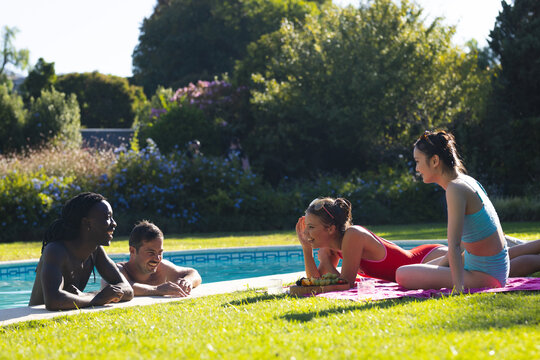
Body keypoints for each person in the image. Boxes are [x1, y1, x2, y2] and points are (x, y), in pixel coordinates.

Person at [395, 130, 510, 292]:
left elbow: (455, 245)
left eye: (418, 161)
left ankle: (459, 282)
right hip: (489, 268)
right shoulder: (466, 181)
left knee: (402, 274)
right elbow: (465, 243)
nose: (417, 168)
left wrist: (458, 288)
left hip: (486, 276)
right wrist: (439, 268)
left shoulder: (455, 189)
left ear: (435, 161)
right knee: (420, 267)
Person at [296, 197, 448, 287]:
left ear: (330, 229)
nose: (306, 232)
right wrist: (306, 249)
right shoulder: (330, 248)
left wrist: (326, 262)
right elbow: (315, 282)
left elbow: (345, 284)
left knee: (467, 266)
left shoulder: (353, 235)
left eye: (311, 227)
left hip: (426, 259)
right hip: (413, 271)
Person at [29, 192, 134, 310]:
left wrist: (87, 296)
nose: (114, 223)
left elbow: (128, 289)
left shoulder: (96, 251)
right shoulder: (56, 250)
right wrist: (97, 298)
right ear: (86, 223)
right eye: (107, 217)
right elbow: (53, 301)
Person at [112, 220, 202, 297]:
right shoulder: (118, 270)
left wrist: (187, 281)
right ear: (132, 251)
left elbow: (193, 273)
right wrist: (157, 289)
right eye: (151, 253)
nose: (157, 258)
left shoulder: (163, 268)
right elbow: (118, 287)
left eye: (160, 252)